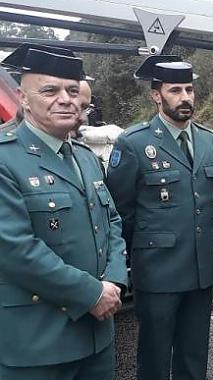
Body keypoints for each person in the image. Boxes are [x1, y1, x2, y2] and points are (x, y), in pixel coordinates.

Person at [0, 45, 128, 380]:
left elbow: (112, 222)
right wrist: (91, 293)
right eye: (50, 90)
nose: (65, 98)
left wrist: (114, 282)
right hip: (38, 342)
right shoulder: (5, 160)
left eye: (73, 90)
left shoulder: (85, 158)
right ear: (23, 98)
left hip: (97, 336)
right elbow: (15, 249)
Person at [106, 55, 213, 380]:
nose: (185, 97)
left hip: (200, 272)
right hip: (158, 274)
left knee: (194, 357)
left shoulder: (209, 140)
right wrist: (131, 264)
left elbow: (206, 203)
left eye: (189, 89)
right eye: (175, 90)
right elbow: (120, 211)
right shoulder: (135, 143)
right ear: (156, 95)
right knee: (155, 360)